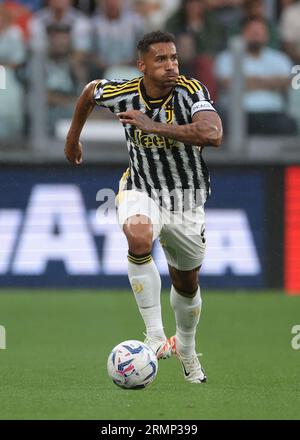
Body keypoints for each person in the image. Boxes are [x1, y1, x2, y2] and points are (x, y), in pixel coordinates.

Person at [64, 31, 223, 384]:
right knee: (138, 238)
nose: (171, 66)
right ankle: (153, 335)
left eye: (174, 58)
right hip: (141, 187)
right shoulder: (124, 93)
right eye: (161, 60)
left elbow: (213, 134)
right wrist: (73, 138)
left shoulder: (190, 91)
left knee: (187, 282)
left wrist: (155, 127)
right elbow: (91, 91)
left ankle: (186, 347)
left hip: (186, 199)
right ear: (142, 66)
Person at [215, 16, 297, 135]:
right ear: (242, 34)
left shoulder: (280, 58)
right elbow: (227, 83)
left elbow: (287, 82)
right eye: (252, 32)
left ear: (267, 36)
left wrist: (248, 81)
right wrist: (271, 83)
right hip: (238, 115)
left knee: (290, 125)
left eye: (260, 32)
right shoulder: (226, 57)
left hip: (273, 113)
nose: (256, 35)